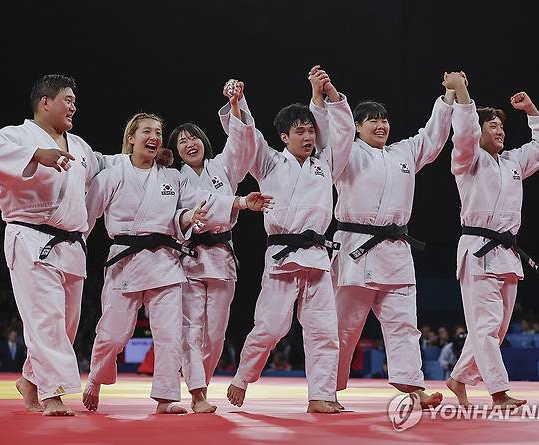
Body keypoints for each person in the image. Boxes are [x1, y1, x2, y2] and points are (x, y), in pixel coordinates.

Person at [81, 111, 270, 414]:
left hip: (166, 262)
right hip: (125, 261)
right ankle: (96, 379)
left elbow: (188, 208)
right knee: (115, 334)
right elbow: (87, 215)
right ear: (131, 138)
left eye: (158, 131)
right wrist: (77, 243)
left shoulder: (171, 177)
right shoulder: (112, 174)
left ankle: (167, 398)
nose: (154, 136)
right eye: (146, 131)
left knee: (170, 335)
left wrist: (208, 211)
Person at [0, 74, 116, 416]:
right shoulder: (16, 136)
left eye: (74, 101)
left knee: (66, 324)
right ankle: (53, 395)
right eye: (67, 99)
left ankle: (29, 379)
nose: (73, 106)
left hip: (71, 245)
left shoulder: (79, 146)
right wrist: (37, 154)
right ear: (45, 102)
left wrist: (143, 155)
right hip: (31, 237)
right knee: (46, 319)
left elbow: (108, 164)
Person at [225, 65, 355, 413]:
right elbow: (248, 139)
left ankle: (321, 396)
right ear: (284, 137)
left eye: (311, 131)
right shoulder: (269, 163)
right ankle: (242, 377)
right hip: (282, 256)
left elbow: (340, 134)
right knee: (270, 328)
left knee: (324, 331)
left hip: (316, 257)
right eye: (300, 132)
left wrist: (323, 96)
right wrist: (239, 104)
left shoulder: (326, 164)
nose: (309, 137)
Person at [327, 73, 456, 410]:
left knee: (404, 325)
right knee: (343, 329)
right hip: (356, 248)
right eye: (372, 120)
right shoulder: (346, 154)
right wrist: (328, 97)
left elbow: (433, 137)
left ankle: (414, 388)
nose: (381, 125)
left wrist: (447, 97)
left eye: (384, 119)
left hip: (396, 251)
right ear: (357, 127)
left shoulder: (404, 153)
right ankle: (326, 391)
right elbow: (334, 135)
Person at [443, 72, 539, 409]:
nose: (500, 130)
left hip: (506, 251)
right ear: (477, 133)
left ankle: (458, 376)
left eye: (501, 126)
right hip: (477, 252)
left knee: (496, 328)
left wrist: (532, 111)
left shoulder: (512, 163)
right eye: (492, 126)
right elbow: (463, 135)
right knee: (485, 326)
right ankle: (498, 392)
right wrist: (462, 91)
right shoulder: (467, 160)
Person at [167, 79, 260, 413]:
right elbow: (188, 207)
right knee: (191, 329)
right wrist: (238, 202)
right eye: (181, 141)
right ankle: (197, 394)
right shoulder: (174, 178)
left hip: (221, 258)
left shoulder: (222, 167)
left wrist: (236, 104)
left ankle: (199, 382)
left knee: (216, 335)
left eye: (193, 137)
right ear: (175, 151)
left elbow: (243, 145)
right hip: (189, 258)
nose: (189, 143)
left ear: (203, 141)